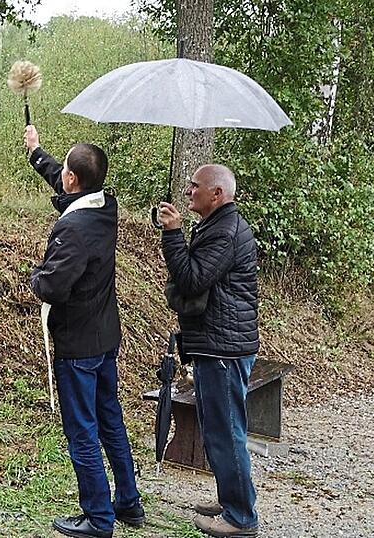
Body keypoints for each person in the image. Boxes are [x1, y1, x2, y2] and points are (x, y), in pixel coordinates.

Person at [23, 124, 143, 538]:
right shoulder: (104, 205)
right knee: (111, 422)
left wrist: (34, 276)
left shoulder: (73, 229)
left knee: (82, 432)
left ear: (75, 179)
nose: (64, 179)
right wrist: (37, 153)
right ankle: (127, 502)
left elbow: (54, 286)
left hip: (78, 345)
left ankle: (98, 517)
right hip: (105, 336)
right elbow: (67, 180)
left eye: (67, 172)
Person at [157, 164, 260, 538]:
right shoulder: (218, 226)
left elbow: (192, 278)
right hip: (218, 343)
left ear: (217, 194)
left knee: (225, 431)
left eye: (195, 186)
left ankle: (241, 517)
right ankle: (231, 499)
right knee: (219, 429)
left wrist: (172, 235)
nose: (188, 191)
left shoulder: (225, 232)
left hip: (223, 348)